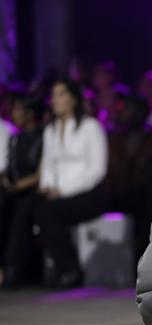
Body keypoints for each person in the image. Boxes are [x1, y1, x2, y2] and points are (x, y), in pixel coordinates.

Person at [33, 80, 109, 288]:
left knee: (46, 213)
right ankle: (21, 271)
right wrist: (47, 186)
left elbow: (97, 170)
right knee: (28, 207)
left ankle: (70, 270)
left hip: (88, 194)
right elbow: (48, 165)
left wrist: (63, 191)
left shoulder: (90, 127)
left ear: (73, 99)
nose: (54, 100)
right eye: (53, 95)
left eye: (60, 95)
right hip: (58, 195)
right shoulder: (50, 130)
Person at [0, 94, 44, 289]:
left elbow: (42, 172)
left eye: (18, 109)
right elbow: (9, 168)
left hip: (33, 190)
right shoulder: (15, 138)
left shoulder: (42, 136)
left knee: (22, 211)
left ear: (30, 113)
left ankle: (13, 270)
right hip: (14, 189)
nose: (13, 113)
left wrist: (20, 185)